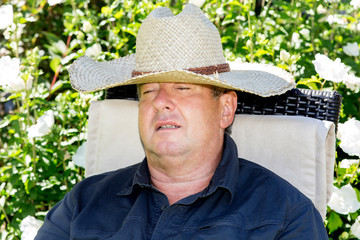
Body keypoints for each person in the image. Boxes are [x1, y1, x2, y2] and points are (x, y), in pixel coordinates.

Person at [35, 4, 328, 239]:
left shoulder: (283, 215)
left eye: (183, 88)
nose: (160, 101)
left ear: (226, 108)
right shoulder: (84, 203)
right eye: (148, 91)